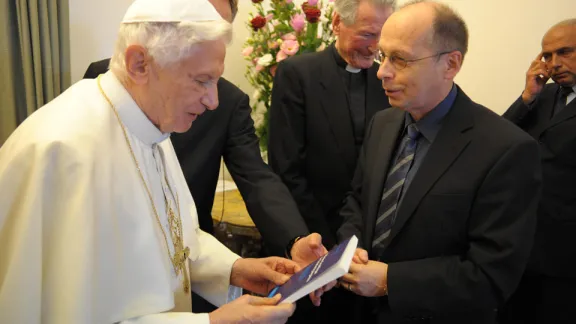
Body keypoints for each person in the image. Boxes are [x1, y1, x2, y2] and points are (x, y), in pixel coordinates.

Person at [0, 0, 327, 323]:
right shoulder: (62, 150)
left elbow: (174, 239)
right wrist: (213, 323)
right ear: (139, 63)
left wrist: (234, 269)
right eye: (201, 81)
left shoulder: (149, 123)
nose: (213, 101)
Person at [82, 0, 312, 314]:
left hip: (190, 262)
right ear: (139, 63)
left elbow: (257, 179)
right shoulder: (73, 133)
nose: (212, 100)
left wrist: (287, 242)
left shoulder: (218, 105)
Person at [324, 1, 542, 323]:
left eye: (399, 59)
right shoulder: (383, 123)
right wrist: (351, 246)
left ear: (451, 64)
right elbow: (358, 201)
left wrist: (389, 282)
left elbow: (491, 275)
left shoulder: (506, 150)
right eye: (383, 56)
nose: (382, 71)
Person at [269, 1, 395, 322]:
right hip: (314, 240)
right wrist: (328, 247)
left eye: (383, 36)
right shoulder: (298, 73)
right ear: (338, 23)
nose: (376, 47)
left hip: (372, 253)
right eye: (368, 34)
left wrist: (360, 244)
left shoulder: (389, 79)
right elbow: (287, 170)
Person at [498, 19, 576, 323]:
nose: (554, 63)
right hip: (521, 241)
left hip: (566, 253)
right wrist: (526, 97)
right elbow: (499, 141)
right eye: (547, 55)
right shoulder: (543, 95)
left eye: (565, 52)